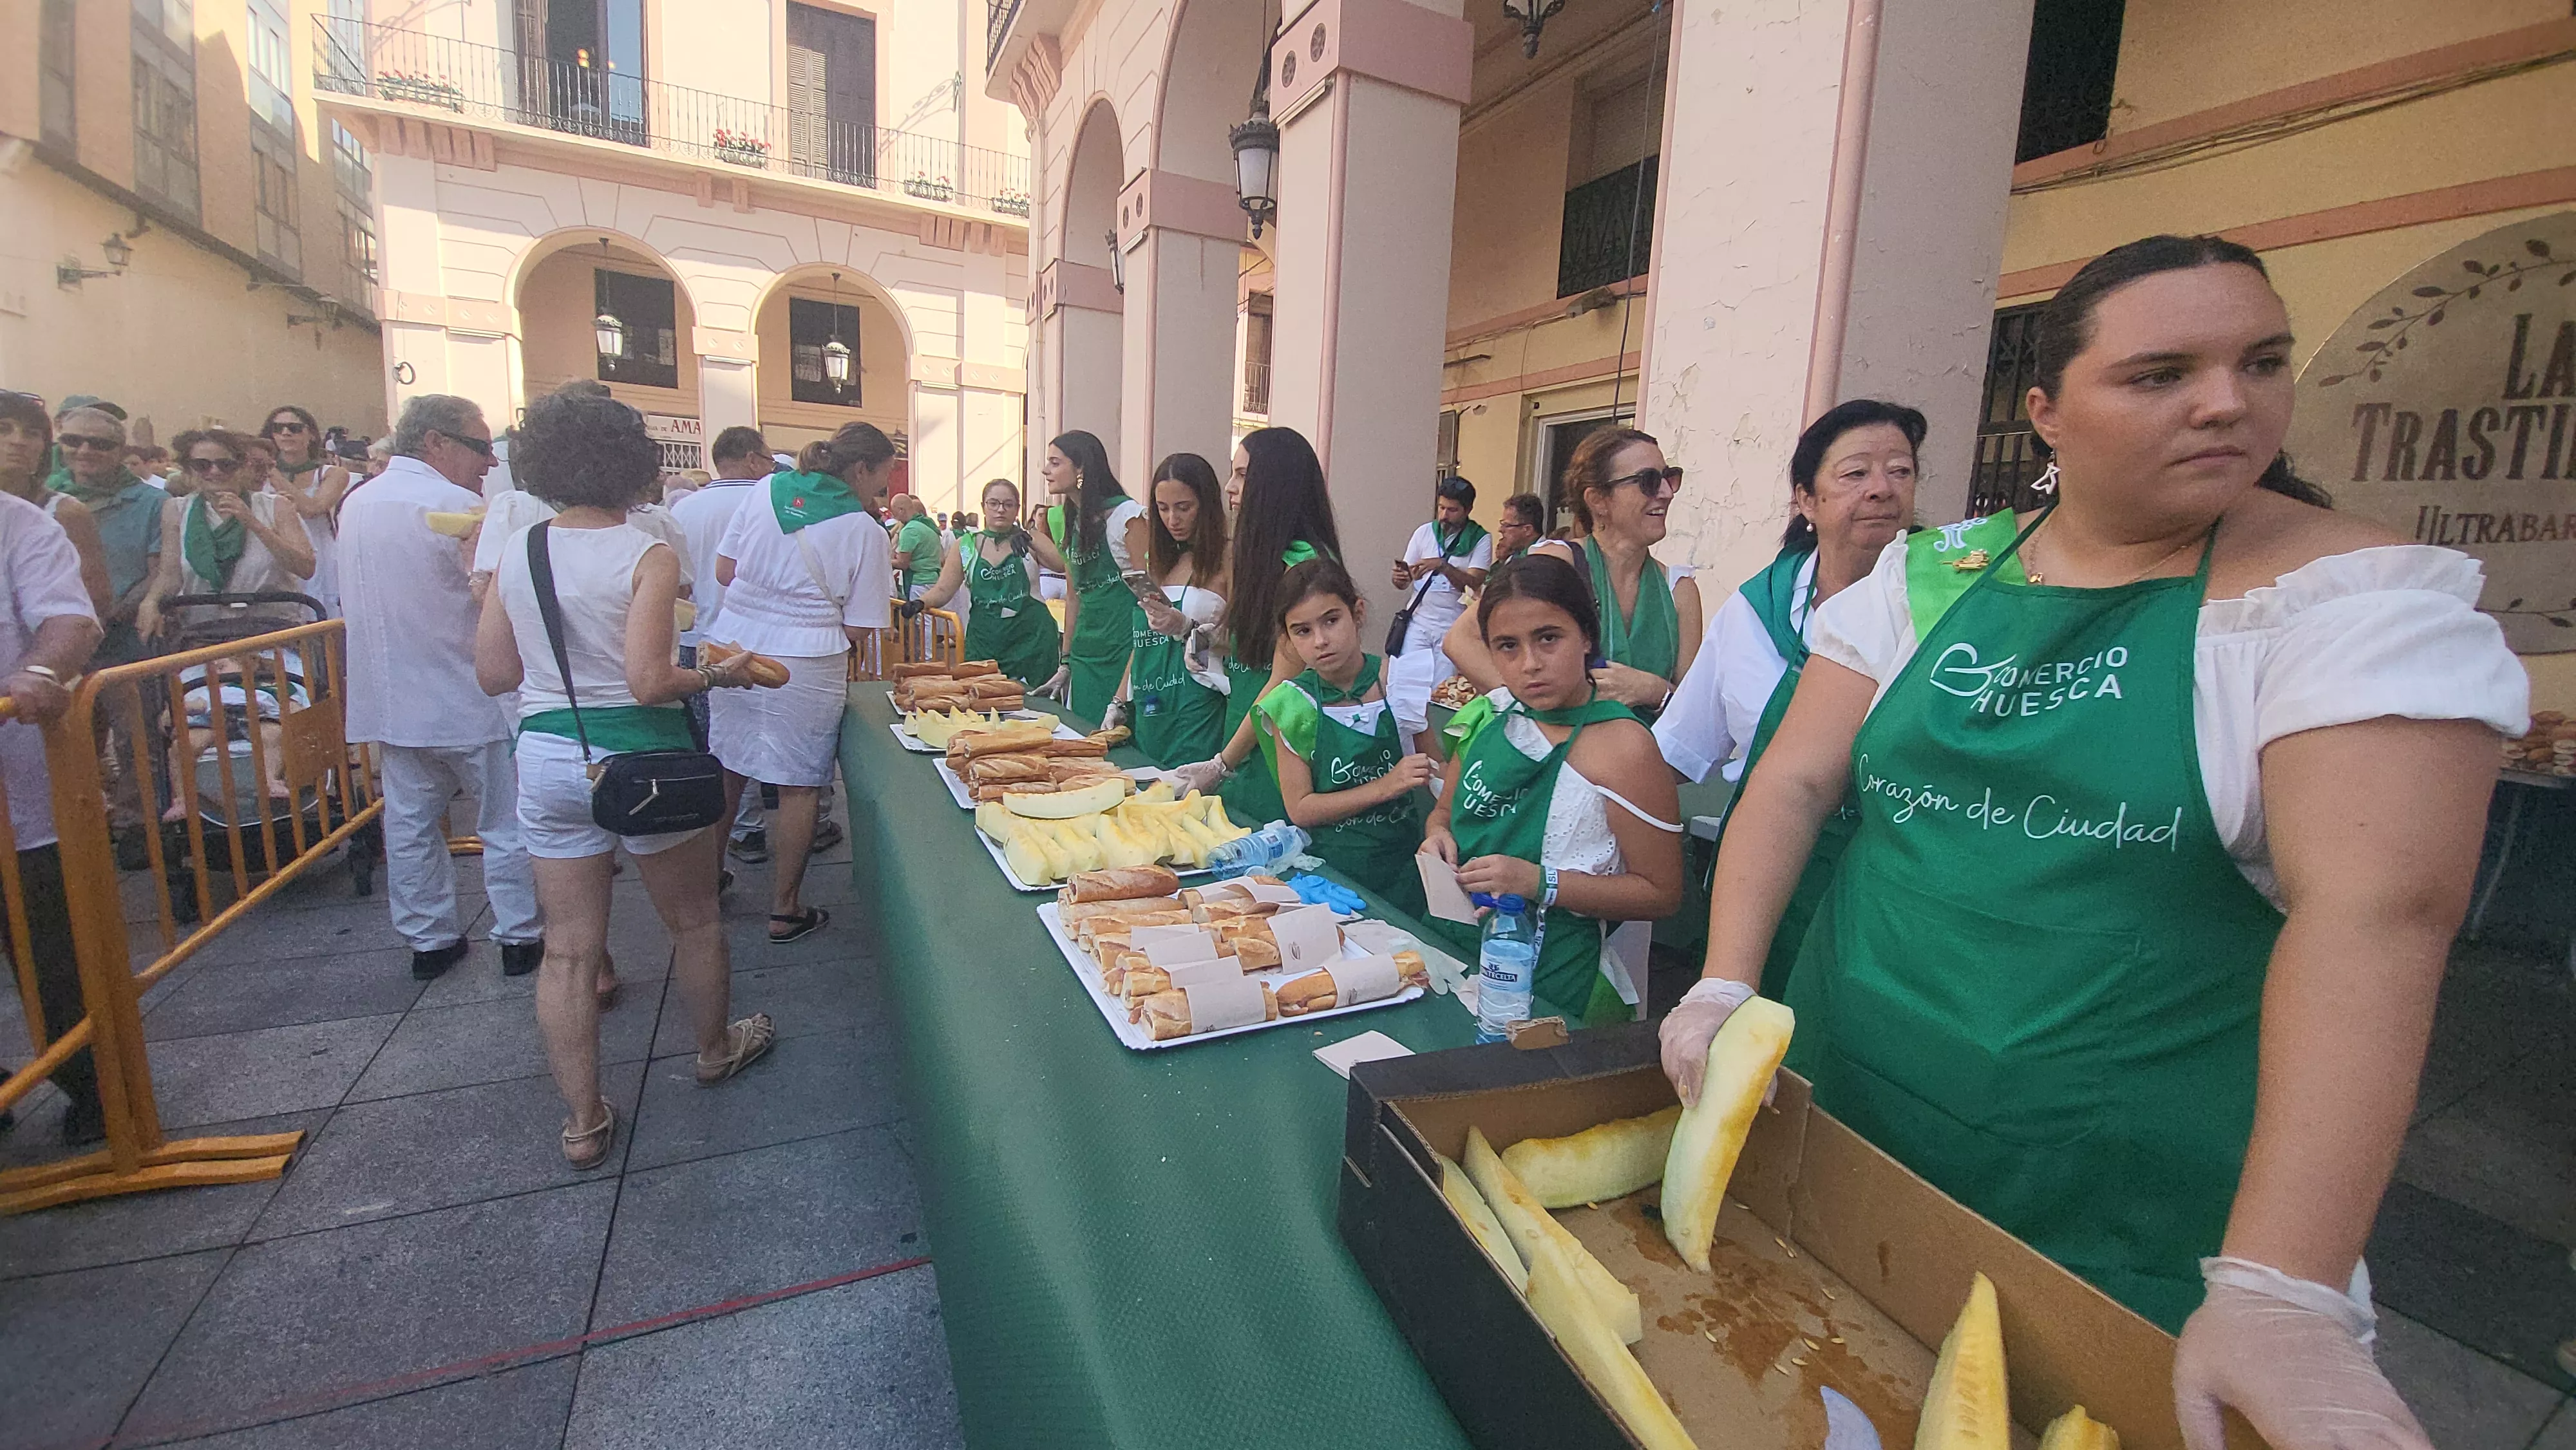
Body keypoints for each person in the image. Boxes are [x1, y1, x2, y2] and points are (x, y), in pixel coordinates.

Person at [1662, 236, 2528, 1450]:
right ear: (2046, 412)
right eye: (2161, 372)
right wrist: (1722, 975)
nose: (2227, 400)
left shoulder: (2347, 603)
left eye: (2262, 361)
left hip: (2125, 1187)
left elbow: (2378, 918)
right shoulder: (1928, 580)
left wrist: (2287, 1282)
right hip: (1859, 1102)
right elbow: (1794, 782)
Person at [475, 388, 773, 1169]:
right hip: (643, 762)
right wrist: (718, 676)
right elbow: (648, 680)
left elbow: (494, 670)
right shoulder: (647, 553)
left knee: (570, 949)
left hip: (546, 754)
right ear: (629, 464)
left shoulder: (520, 549)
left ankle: (582, 1120)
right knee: (694, 920)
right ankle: (713, 1048)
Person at [1651, 399, 1922, 997]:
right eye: (1855, 474)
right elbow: (1675, 752)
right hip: (1766, 900)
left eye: (1900, 471)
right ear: (1805, 498)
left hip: (1899, 909)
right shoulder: (1756, 612)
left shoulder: (1951, 608)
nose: (1881, 490)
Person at [1422, 554, 1684, 1026]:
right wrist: (1437, 835)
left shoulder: (1625, 747)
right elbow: (1444, 814)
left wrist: (1538, 882)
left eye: (1548, 638)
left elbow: (1662, 894)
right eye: (1507, 646)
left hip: (1557, 988)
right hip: (1454, 958)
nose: (1529, 665)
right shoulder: (1491, 715)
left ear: (1586, 635)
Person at [341, 394, 544, 981]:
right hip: (466, 688)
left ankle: (429, 940)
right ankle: (519, 934)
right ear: (436, 442)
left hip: (392, 695)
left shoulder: (358, 503)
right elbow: (494, 597)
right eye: (480, 448)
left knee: (409, 822)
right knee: (504, 820)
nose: (488, 462)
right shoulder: (454, 505)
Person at [711, 421, 896, 943]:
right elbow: (859, 625)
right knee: (799, 783)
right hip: (808, 656)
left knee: (729, 766)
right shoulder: (865, 531)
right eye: (880, 482)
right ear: (860, 470)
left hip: (735, 642)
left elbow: (726, 570)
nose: (878, 494)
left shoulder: (766, 489)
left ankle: (705, 883)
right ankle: (784, 906)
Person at [1443, 428, 1702, 719]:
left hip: (1645, 760)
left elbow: (1694, 713)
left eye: (1669, 477)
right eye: (1649, 481)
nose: (1666, 493)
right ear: (1598, 501)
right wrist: (1537, 716)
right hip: (1563, 756)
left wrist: (1653, 690)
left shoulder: (1678, 591)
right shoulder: (1559, 561)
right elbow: (1462, 640)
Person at [1166, 428, 1343, 826]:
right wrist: (1201, 636)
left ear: (1276, 484)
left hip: (1279, 744)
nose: (1230, 487)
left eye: (1243, 475)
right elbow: (1255, 643)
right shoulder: (1262, 556)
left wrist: (1221, 764)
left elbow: (1283, 682)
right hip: (1247, 731)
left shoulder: (1306, 567)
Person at [0, 488, 106, 1144]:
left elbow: (71, 619)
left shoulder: (17, 521)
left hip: (20, 808)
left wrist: (38, 672)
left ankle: (98, 1092)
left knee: (52, 960)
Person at [1254, 558, 1433, 914]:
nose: (1321, 641)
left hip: (1407, 870)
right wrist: (1386, 785)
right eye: (1302, 631)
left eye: (1331, 621)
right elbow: (1301, 809)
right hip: (1335, 876)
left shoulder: (1398, 682)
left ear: (1358, 613)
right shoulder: (1292, 705)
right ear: (1287, 638)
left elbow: (1435, 768)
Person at [674, 425, 776, 858]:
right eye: (768, 458)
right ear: (752, 459)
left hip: (698, 637)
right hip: (758, 636)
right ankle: (759, 821)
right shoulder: (768, 505)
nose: (773, 466)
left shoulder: (682, 510)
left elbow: (677, 583)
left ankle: (729, 830)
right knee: (761, 734)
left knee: (716, 742)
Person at [143, 429, 316, 639]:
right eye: (202, 465)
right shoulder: (176, 510)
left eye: (226, 465)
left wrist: (253, 523)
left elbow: (306, 567)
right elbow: (170, 576)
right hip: (204, 633)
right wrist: (151, 602)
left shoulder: (276, 506)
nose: (214, 472)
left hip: (272, 631)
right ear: (188, 469)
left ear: (242, 466)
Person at [1118, 453, 1230, 767]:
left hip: (1197, 706)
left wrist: (1189, 627)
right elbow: (1142, 640)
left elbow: (1245, 641)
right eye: (1163, 509)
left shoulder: (1228, 557)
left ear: (1206, 505)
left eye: (1184, 508)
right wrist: (1119, 699)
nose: (1173, 520)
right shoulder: (1157, 561)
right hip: (1150, 702)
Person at [916, 478, 1065, 688]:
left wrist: (1029, 539)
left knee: (1038, 711)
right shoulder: (965, 545)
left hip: (1033, 643)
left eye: (1008, 504)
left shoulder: (1031, 538)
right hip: (984, 642)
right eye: (993, 503)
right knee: (982, 705)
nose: (1000, 510)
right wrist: (920, 603)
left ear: (1017, 509)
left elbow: (1060, 565)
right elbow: (943, 589)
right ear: (984, 507)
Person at [1037, 431, 1141, 720]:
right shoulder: (1067, 518)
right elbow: (1074, 596)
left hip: (1123, 652)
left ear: (1081, 467)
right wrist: (1066, 663)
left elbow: (1149, 595)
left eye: (1055, 463)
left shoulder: (1127, 516)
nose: (1046, 470)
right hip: (1085, 654)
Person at [1387, 475, 1493, 752]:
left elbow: (1475, 582)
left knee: (1439, 697)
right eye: (1441, 508)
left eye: (1452, 510)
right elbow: (1405, 579)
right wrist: (1400, 577)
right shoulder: (1424, 532)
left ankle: (1436, 757)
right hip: (1419, 622)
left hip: (1452, 628)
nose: (1444, 515)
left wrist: (1443, 566)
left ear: (1468, 510)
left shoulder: (1481, 539)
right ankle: (1403, 752)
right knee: (1406, 690)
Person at [0, 395, 111, 616]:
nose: (18, 441)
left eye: (32, 434)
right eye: (3, 429)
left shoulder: (64, 513)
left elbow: (96, 603)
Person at [262, 404, 351, 617]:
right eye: (278, 428)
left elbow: (313, 508)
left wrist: (273, 474)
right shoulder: (259, 476)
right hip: (277, 555)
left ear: (310, 435)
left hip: (321, 556)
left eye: (294, 428)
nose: (285, 433)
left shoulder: (332, 474)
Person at [891, 493, 944, 602]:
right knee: (931, 618)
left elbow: (903, 563)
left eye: (895, 513)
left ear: (901, 510)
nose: (895, 518)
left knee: (921, 618)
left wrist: (885, 561)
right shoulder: (929, 525)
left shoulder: (909, 530)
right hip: (934, 579)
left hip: (919, 583)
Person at [1493, 493, 1544, 563]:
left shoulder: (1543, 558)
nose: (1500, 530)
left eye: (1507, 525)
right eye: (1502, 524)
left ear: (1528, 530)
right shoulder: (1514, 557)